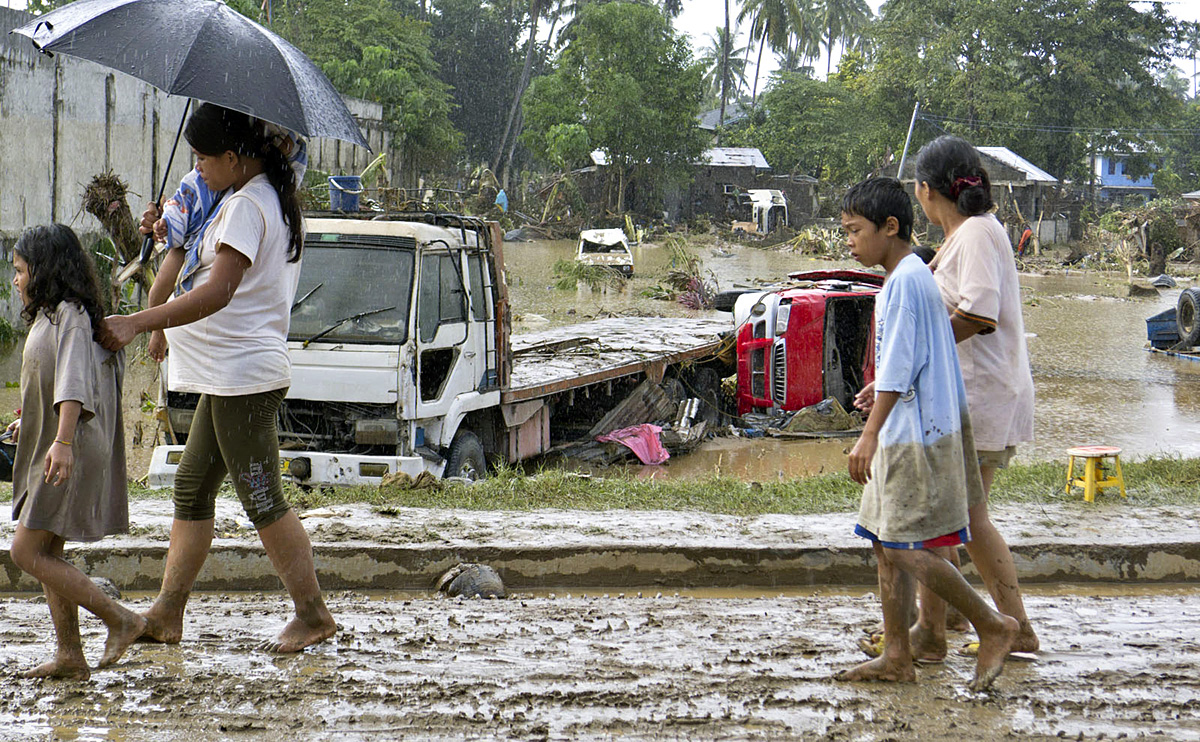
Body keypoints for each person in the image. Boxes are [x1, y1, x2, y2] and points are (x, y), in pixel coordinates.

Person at [99, 102, 337, 653]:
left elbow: (216, 291)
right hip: (229, 375)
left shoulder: (250, 207)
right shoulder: (243, 197)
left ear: (233, 157)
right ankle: (166, 612)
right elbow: (193, 258)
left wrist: (139, 321)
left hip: (243, 377)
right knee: (192, 485)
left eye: (204, 158)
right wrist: (166, 226)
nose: (197, 167)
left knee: (261, 497)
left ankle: (313, 614)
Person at [837, 177, 1017, 691]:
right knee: (882, 540)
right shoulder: (910, 277)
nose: (849, 241)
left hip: (917, 434)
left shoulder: (907, 282)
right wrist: (881, 390)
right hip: (909, 425)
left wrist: (867, 435)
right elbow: (907, 360)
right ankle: (900, 653)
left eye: (855, 231)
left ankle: (992, 624)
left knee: (903, 546)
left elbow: (898, 366)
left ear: (889, 228)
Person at [902, 135, 1040, 661]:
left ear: (925, 190)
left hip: (979, 396)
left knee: (965, 518)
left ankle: (1013, 627)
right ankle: (936, 626)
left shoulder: (978, 235)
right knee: (950, 516)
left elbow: (979, 314)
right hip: (971, 394)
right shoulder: (963, 237)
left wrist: (917, 353)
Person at [7, 224, 146, 679]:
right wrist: (31, 420)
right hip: (60, 443)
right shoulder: (54, 315)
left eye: (21, 270)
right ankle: (70, 654)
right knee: (48, 550)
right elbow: (51, 379)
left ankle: (119, 619)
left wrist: (63, 441)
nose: (15, 280)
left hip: (71, 446)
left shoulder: (72, 314)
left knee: (25, 553)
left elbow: (74, 383)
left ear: (43, 270)